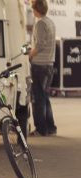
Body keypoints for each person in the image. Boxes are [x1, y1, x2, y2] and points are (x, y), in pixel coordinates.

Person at [29, 0, 57, 136]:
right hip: (49, 65)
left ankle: (41, 129)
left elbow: (39, 45)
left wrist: (29, 55)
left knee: (38, 98)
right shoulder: (50, 22)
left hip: (39, 65)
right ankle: (51, 127)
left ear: (36, 9)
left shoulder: (40, 23)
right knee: (45, 97)